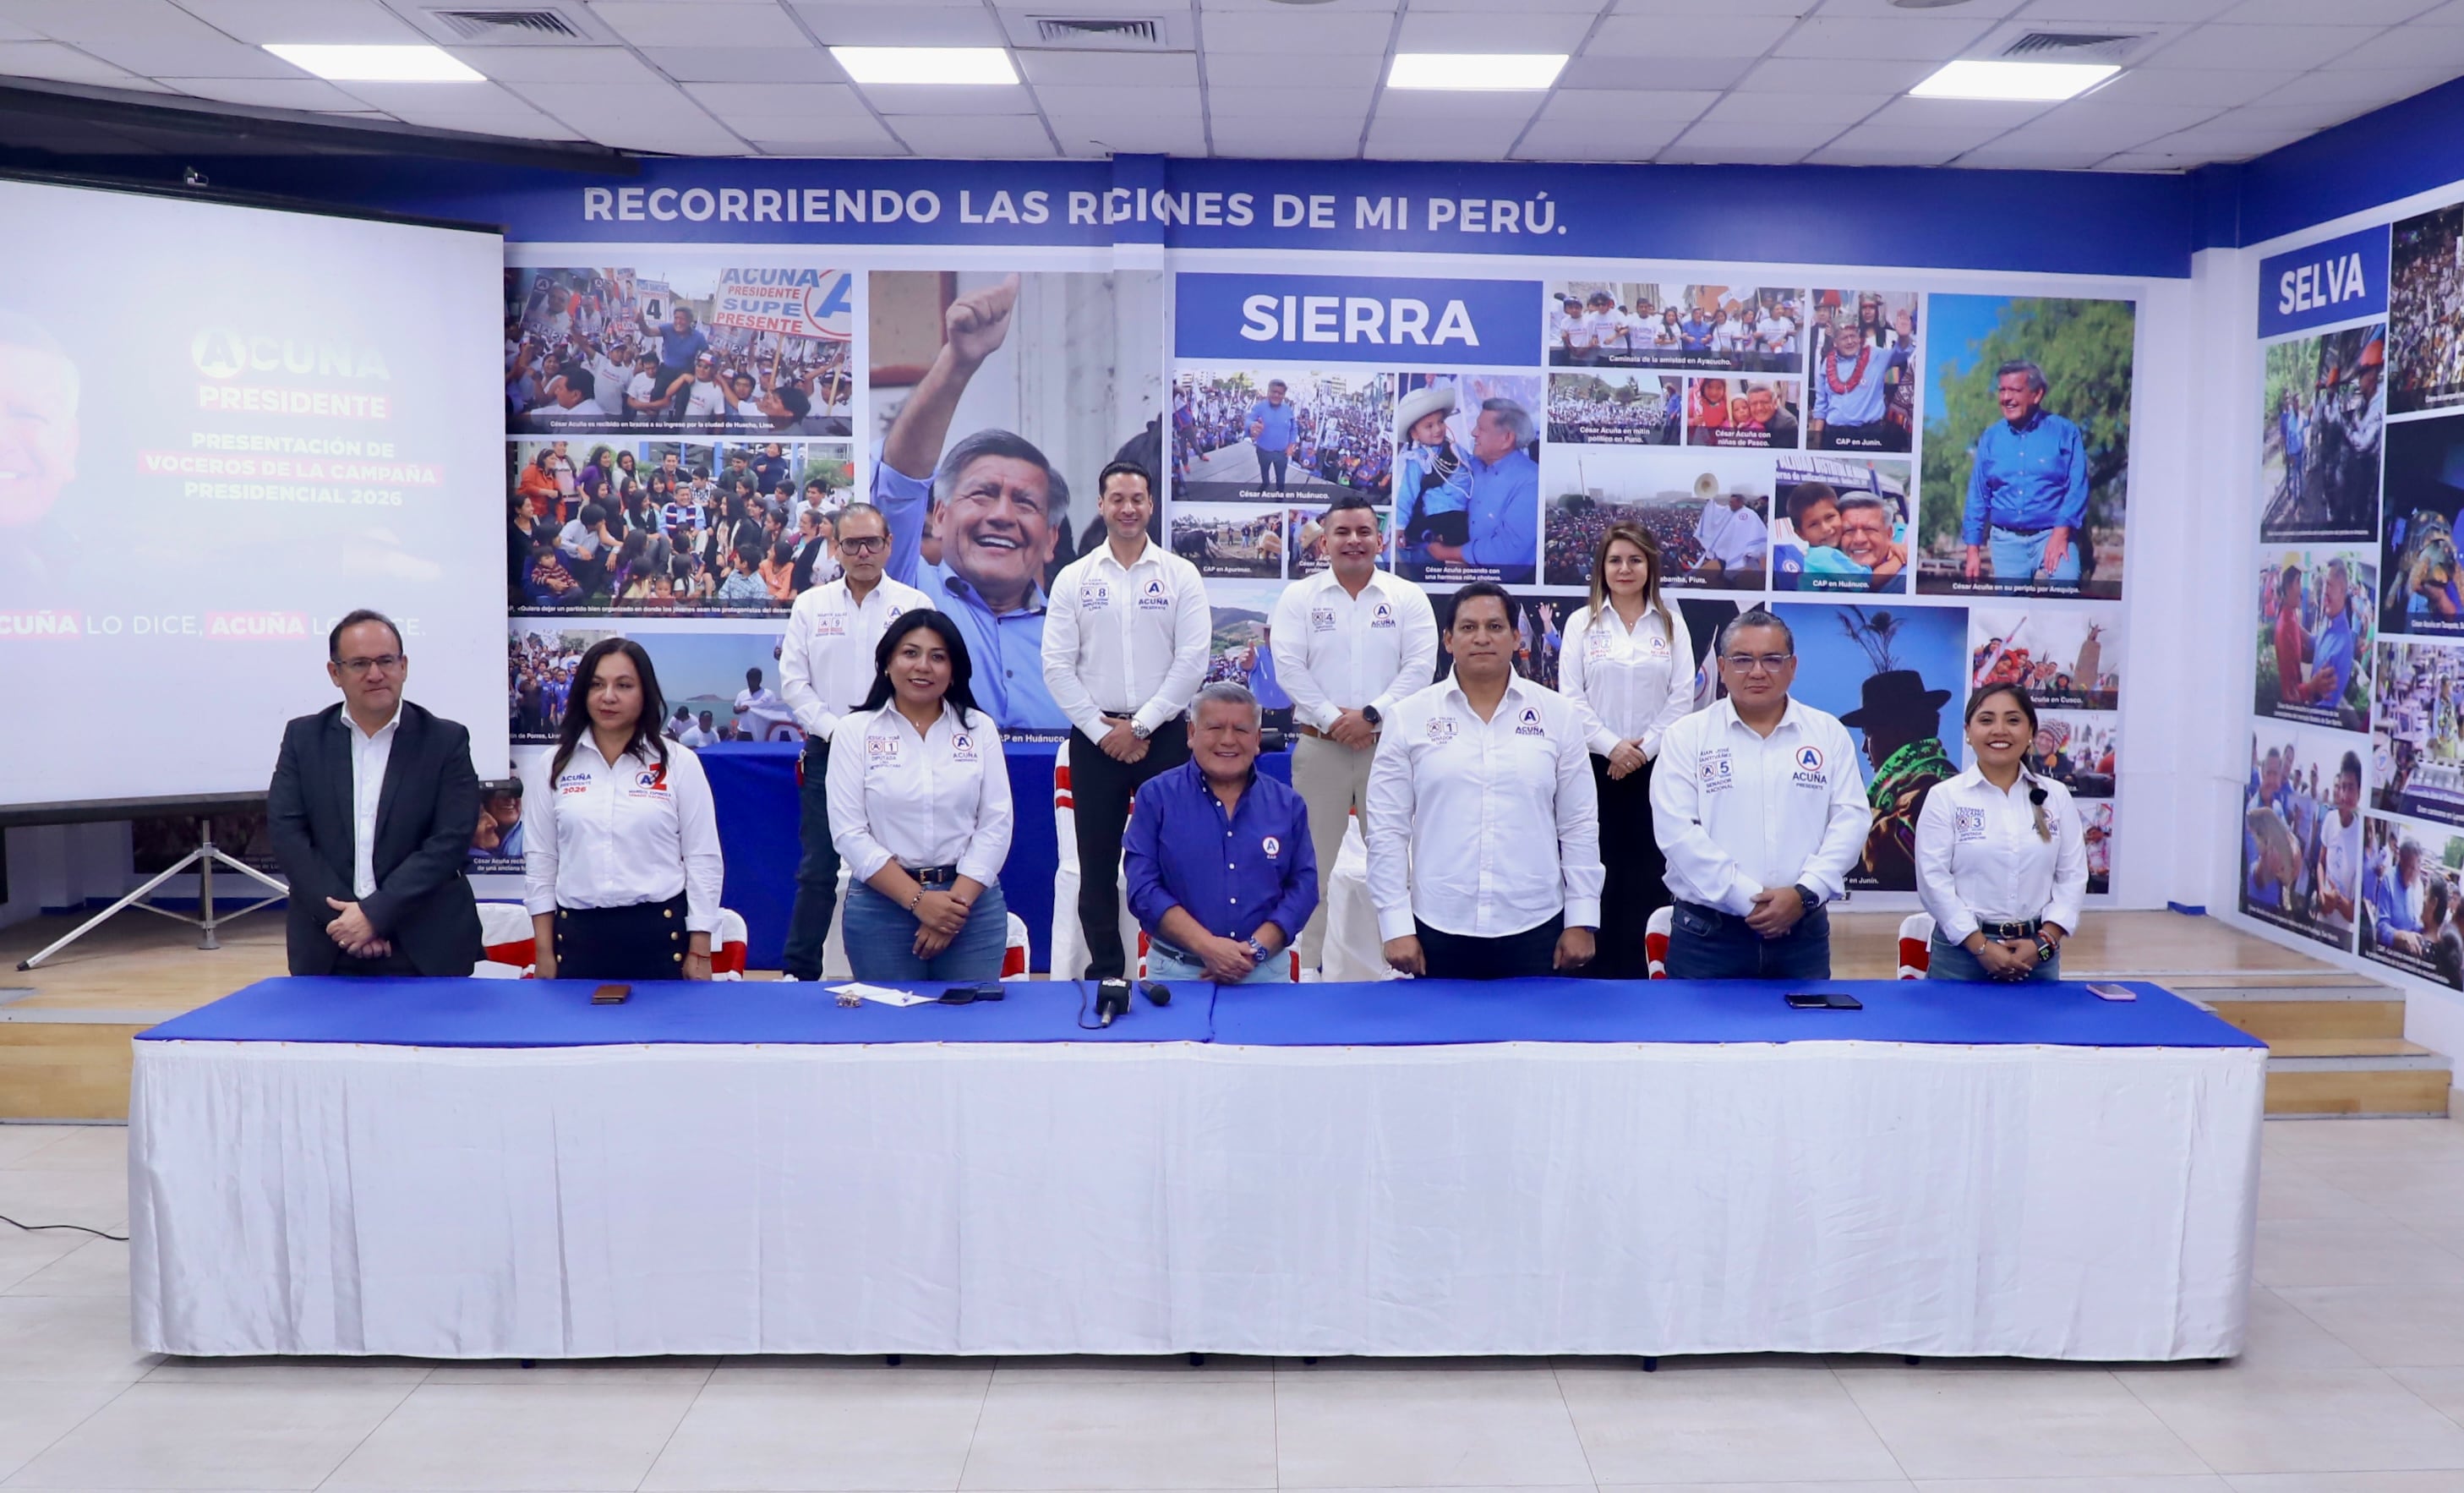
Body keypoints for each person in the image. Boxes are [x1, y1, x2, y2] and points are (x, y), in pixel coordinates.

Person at [1368, 582, 1600, 981]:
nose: (1481, 638)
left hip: (1535, 924)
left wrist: (1582, 917)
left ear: (1515, 637)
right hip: (1437, 926)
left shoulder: (1558, 714)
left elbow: (1578, 824)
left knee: (1529, 1043)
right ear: (1448, 640)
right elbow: (1387, 830)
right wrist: (1395, 924)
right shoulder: (1408, 717)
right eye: (1468, 627)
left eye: (1495, 627)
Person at [870, 273, 1068, 729]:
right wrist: (958, 362)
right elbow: (899, 485)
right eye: (982, 494)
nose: (1001, 516)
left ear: (1051, 537)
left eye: (1025, 503)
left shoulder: (1075, 631)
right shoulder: (908, 593)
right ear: (940, 514)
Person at [1041, 459, 1210, 978]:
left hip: (1163, 738)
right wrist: (1102, 730)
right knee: (1095, 866)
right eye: (1117, 498)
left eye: (1137, 498)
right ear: (1102, 505)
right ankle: (1106, 970)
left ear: (1152, 504)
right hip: (1095, 740)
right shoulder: (1074, 577)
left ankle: (1174, 963)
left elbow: (1193, 660)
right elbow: (1056, 665)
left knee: (1175, 858)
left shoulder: (1181, 575)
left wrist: (1141, 727)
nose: (1128, 508)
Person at [1270, 492, 1440, 972]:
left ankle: (1408, 972)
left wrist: (1369, 716)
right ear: (1324, 541)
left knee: (1397, 868)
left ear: (1380, 539)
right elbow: (1288, 668)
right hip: (1318, 748)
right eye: (1342, 532)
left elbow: (1420, 668)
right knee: (1310, 872)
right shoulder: (1299, 598)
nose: (1353, 541)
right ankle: (1307, 974)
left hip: (1389, 750)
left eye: (1364, 531)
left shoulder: (1407, 597)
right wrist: (1334, 721)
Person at [1651, 607, 1869, 978]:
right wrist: (1746, 899)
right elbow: (1678, 833)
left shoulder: (1827, 733)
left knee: (1805, 1037)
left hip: (1803, 932)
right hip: (1709, 937)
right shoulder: (1687, 736)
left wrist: (1802, 894)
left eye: (1772, 659)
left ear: (1793, 666)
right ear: (1721, 667)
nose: (1756, 671)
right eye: (1742, 660)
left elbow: (1851, 820)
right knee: (1702, 1036)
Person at [267, 610, 484, 976]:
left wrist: (374, 915)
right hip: (329, 941)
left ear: (403, 666)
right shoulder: (303, 739)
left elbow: (449, 841)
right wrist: (349, 923)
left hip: (427, 946)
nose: (375, 674)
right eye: (359, 663)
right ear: (335, 673)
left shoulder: (446, 740)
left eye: (386, 661)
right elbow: (288, 835)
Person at [774, 501, 931, 982]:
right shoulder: (811, 605)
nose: (863, 552)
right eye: (851, 544)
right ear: (834, 548)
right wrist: (838, 730)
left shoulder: (915, 607)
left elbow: (929, 680)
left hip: (901, 750)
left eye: (873, 542)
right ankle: (798, 974)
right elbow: (794, 683)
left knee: (900, 861)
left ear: (889, 545)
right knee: (818, 867)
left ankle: (903, 970)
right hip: (829, 748)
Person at [826, 610, 1016, 982]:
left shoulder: (979, 729)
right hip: (883, 907)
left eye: (938, 656)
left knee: (972, 1029)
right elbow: (849, 832)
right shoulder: (854, 731)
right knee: (890, 1031)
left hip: (969, 908)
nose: (923, 666)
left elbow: (996, 824)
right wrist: (919, 902)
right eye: (910, 653)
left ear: (954, 669)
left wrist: (950, 909)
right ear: (887, 663)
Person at [526, 639, 723, 981]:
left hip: (662, 940)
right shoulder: (553, 765)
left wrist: (700, 950)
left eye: (624, 685)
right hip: (576, 941)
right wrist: (544, 952)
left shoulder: (678, 764)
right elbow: (542, 862)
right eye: (597, 685)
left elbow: (703, 859)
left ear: (645, 692)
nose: (609, 697)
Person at [1559, 522, 1694, 978]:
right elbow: (1570, 697)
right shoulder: (1583, 622)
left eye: (1635, 560)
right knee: (1597, 865)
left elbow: (1682, 697)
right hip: (1593, 768)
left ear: (1650, 566)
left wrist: (1643, 750)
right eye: (1615, 560)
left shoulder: (1671, 623)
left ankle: (1645, 969)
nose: (1624, 569)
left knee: (1646, 870)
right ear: (1602, 566)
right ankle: (1590, 969)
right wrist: (1612, 746)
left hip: (1656, 769)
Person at [1123, 682, 1318, 984]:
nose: (1228, 740)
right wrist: (1208, 947)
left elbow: (1304, 889)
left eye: (1240, 730)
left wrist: (1252, 951)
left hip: (1263, 973)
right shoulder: (1155, 797)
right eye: (1214, 728)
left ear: (1256, 739)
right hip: (1177, 974)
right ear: (1191, 734)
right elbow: (1143, 888)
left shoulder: (1287, 805)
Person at [1913, 685, 2088, 982]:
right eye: (1986, 720)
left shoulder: (2055, 796)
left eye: (2013, 720)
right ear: (1968, 731)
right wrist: (1979, 946)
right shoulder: (1945, 797)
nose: (2000, 730)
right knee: (1952, 1029)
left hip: (2037, 955)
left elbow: (2072, 875)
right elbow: (1933, 881)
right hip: (1960, 957)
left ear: (2031, 730)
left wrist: (2044, 941)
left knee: (2037, 1029)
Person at [1962, 359, 2089, 585]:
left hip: (2054, 533)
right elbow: (1978, 496)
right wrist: (1973, 551)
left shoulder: (2066, 432)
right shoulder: (1991, 438)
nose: (2006, 398)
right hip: (2005, 542)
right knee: (2011, 611)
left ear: (2037, 394)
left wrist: (2061, 534)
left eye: (2015, 390)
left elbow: (2077, 488)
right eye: (2002, 390)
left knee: (2066, 587)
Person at [1843, 668, 1957, 889]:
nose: (1864, 748)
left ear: (1895, 731)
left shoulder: (1927, 786)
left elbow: (1890, 860)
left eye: (1868, 733)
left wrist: (1855, 814)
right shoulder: (1940, 778)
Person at [1419, 396, 1539, 577]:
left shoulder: (1531, 481)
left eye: (1481, 429)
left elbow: (1508, 550)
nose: (1474, 433)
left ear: (1507, 439)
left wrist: (1447, 553)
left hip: (1508, 587)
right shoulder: (1470, 465)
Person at [1810, 310, 1914, 450]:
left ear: (1859, 337)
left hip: (1869, 436)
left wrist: (1904, 337)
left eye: (1853, 336)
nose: (1850, 341)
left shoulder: (1877, 356)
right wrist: (1817, 442)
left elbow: (1901, 353)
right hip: (1835, 436)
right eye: (1844, 338)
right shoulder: (1827, 363)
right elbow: (1821, 405)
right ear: (1835, 342)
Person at [1248, 379, 1298, 493]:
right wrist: (1251, 427)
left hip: (1282, 453)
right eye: (1273, 391)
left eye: (1280, 393)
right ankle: (1265, 484)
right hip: (1263, 451)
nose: (1276, 395)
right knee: (1264, 470)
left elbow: (1294, 428)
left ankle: (1279, 493)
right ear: (1268, 391)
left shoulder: (1288, 410)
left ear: (1284, 395)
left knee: (1281, 476)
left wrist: (1291, 445)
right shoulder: (1258, 407)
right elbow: (1249, 420)